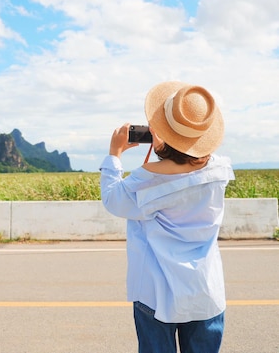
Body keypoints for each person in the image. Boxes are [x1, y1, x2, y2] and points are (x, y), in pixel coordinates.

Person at [99, 81, 235, 353]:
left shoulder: (149, 178)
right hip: (205, 289)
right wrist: (173, 139)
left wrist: (114, 154)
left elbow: (114, 200)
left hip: (156, 292)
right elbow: (190, 163)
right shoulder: (220, 170)